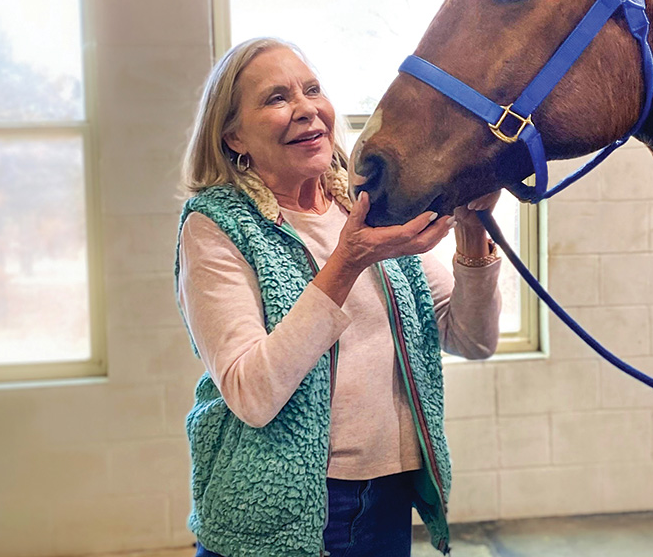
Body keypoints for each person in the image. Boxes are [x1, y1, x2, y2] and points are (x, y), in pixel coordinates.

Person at [175, 37, 503, 557]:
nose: (306, 109)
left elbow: (471, 339)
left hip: (388, 498)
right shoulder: (217, 226)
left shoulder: (365, 207)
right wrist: (347, 263)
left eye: (312, 90)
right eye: (277, 98)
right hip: (279, 509)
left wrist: (471, 228)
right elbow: (251, 394)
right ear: (234, 136)